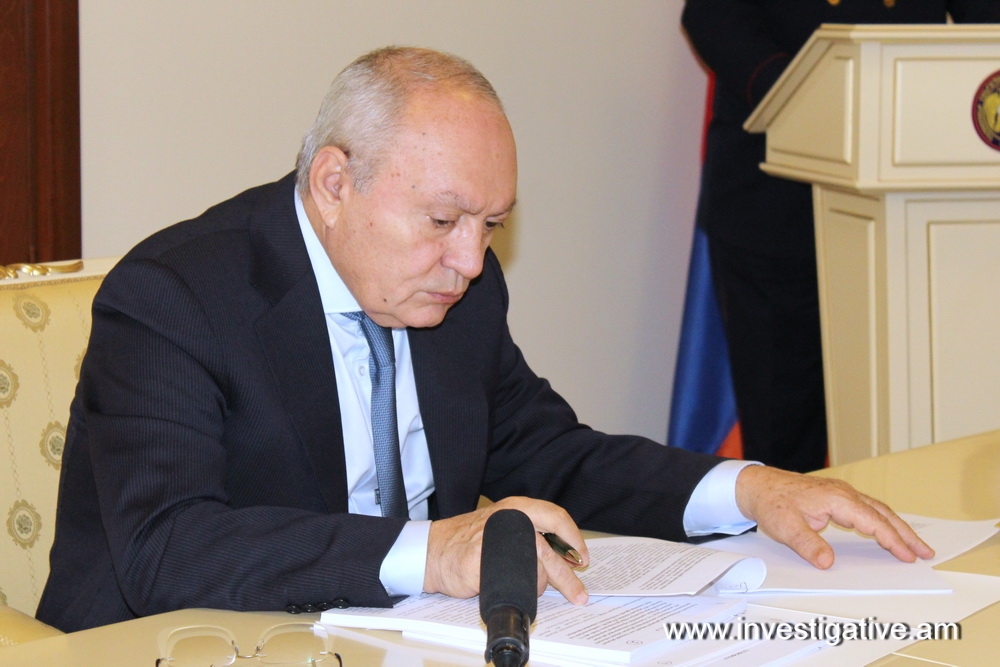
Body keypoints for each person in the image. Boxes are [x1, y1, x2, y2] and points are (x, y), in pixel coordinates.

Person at [38, 46, 932, 633]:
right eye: (443, 220)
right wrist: (433, 550)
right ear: (334, 182)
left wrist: (748, 486)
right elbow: (168, 546)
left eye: (491, 224)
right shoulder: (173, 298)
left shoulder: (456, 292)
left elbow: (554, 453)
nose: (470, 261)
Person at [681, 1, 1000, 473]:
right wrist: (807, 94)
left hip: (914, 219)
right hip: (775, 214)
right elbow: (710, 16)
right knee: (786, 439)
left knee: (916, 417)